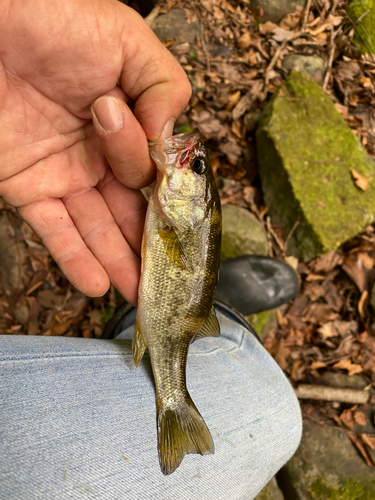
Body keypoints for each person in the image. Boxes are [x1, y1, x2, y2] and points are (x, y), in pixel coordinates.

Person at [0, 1, 302, 498]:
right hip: (173, 307)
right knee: (276, 411)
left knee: (251, 391)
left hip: (170, 305)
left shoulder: (174, 214)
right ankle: (179, 337)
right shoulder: (175, 213)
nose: (191, 162)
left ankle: (163, 335)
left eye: (195, 172)